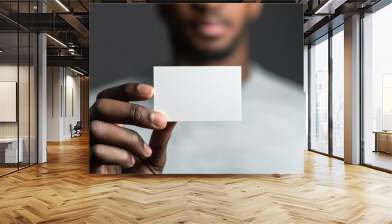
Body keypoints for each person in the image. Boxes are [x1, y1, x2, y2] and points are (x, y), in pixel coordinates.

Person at [89, 3, 305, 174]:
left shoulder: (304, 114)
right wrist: (107, 191)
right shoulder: (100, 119)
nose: (209, 4)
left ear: (255, 3)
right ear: (162, 5)